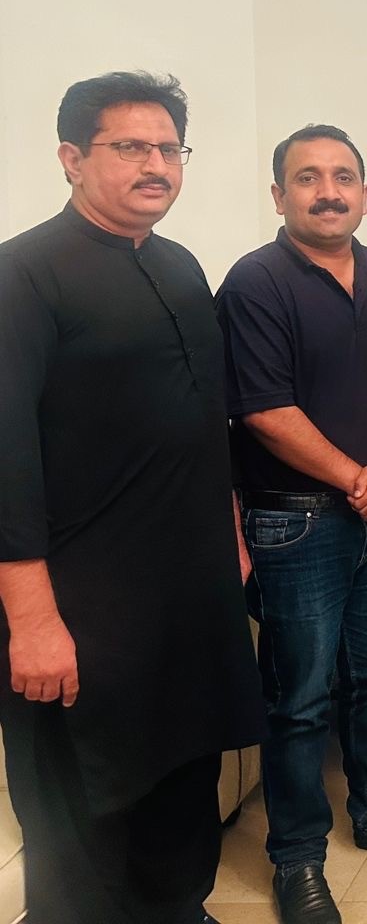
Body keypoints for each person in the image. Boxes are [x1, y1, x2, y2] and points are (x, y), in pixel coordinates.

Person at [0, 71, 263, 924]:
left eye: (169, 148)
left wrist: (230, 530)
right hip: (81, 604)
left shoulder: (179, 266)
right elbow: (6, 459)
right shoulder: (22, 275)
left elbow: (205, 420)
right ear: (71, 158)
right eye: (130, 147)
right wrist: (32, 622)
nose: (156, 165)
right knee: (85, 804)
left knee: (183, 777)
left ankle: (178, 909)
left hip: (185, 594)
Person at [215, 125, 367, 924]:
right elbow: (263, 410)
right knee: (301, 698)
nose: (328, 191)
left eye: (343, 176)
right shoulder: (255, 282)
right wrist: (360, 478)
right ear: (278, 194)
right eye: (308, 177)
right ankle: (297, 858)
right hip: (296, 525)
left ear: (364, 192)